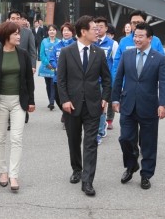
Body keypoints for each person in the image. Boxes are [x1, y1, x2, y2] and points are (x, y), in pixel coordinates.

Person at [56, 15, 111, 197]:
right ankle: (77, 169)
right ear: (83, 32)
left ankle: (87, 181)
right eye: (94, 29)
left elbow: (107, 78)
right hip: (72, 105)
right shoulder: (66, 52)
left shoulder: (99, 52)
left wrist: (105, 98)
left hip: (94, 105)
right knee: (74, 140)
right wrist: (64, 100)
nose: (97, 31)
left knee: (90, 143)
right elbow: (61, 80)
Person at [112, 23, 165, 190]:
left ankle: (146, 175)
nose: (136, 39)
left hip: (149, 106)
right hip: (127, 104)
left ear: (149, 38)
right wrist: (115, 99)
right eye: (135, 36)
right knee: (125, 139)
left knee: (149, 144)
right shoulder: (127, 55)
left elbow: (164, 83)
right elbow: (119, 78)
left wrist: (163, 104)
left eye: (140, 36)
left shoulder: (159, 58)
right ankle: (131, 165)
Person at [0, 21, 36, 192]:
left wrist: (31, 101)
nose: (18, 36)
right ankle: (2, 172)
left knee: (16, 138)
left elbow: (29, 79)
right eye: (15, 33)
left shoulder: (23, 55)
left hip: (18, 102)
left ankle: (14, 174)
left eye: (19, 33)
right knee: (0, 138)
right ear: (6, 36)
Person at [95, 17, 118, 135]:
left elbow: (116, 63)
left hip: (105, 80)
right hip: (91, 80)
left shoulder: (113, 44)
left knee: (102, 105)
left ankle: (99, 130)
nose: (98, 29)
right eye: (96, 26)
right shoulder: (91, 41)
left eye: (101, 27)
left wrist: (113, 81)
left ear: (106, 28)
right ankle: (99, 125)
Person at [50, 22, 76, 127]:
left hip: (72, 78)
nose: (66, 32)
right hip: (58, 77)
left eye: (68, 30)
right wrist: (57, 67)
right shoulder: (57, 45)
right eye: (64, 30)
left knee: (69, 97)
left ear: (72, 32)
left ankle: (67, 117)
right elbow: (52, 59)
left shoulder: (75, 44)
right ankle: (65, 112)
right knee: (57, 97)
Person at [38, 24, 59, 110]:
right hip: (46, 67)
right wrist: (47, 63)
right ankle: (50, 99)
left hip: (55, 67)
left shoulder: (59, 42)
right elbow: (42, 54)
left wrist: (54, 65)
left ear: (56, 32)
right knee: (48, 85)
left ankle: (51, 102)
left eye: (53, 30)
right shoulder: (44, 41)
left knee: (53, 84)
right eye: (50, 30)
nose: (52, 31)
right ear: (48, 32)